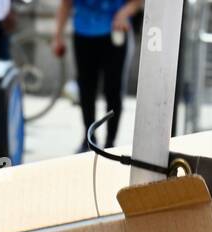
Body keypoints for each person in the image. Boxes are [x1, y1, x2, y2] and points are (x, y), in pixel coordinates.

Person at [52, 0, 143, 153]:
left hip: (115, 33)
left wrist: (123, 13)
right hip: (83, 34)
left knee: (113, 90)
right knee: (86, 89)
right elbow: (66, 4)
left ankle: (110, 142)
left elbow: (137, 2)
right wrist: (58, 36)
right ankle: (89, 138)